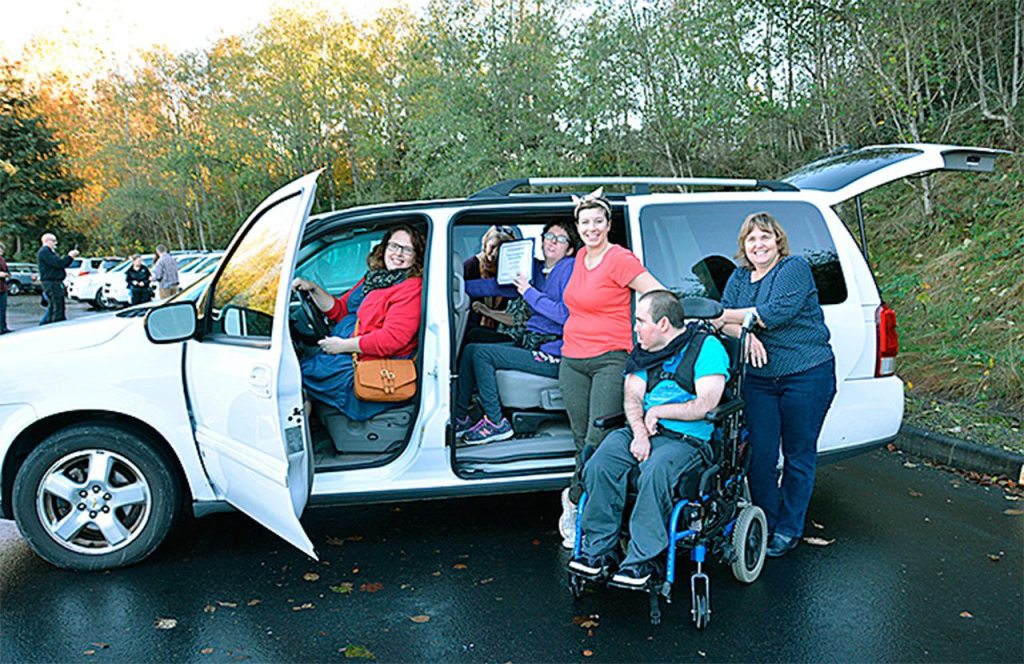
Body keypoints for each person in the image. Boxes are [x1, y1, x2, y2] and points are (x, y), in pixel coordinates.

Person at [568, 291, 729, 585]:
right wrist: (640, 432)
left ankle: (643, 561)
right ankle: (599, 552)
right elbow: (631, 397)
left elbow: (707, 403)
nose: (635, 328)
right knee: (599, 463)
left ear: (664, 323)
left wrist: (658, 411)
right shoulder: (644, 350)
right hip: (640, 431)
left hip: (686, 440)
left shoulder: (707, 348)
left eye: (641, 321)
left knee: (655, 471)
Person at [715, 211, 836, 558]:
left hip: (806, 374)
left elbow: (774, 312)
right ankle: (768, 521)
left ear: (778, 240)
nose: (759, 244)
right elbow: (722, 321)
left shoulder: (793, 268)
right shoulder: (739, 278)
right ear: (744, 245)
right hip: (759, 381)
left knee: (798, 455)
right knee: (760, 456)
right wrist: (745, 334)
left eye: (765, 237)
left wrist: (736, 320)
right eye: (752, 239)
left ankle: (789, 528)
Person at [558, 188, 663, 547]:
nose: (591, 228)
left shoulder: (619, 258)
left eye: (597, 221)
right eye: (585, 222)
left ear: (608, 224)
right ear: (578, 227)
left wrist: (653, 328)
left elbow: (656, 293)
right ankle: (585, 499)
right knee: (579, 439)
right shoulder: (578, 259)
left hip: (611, 358)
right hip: (572, 359)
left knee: (597, 438)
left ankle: (575, 503)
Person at [454, 221, 579, 444]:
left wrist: (529, 292)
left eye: (560, 239)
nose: (552, 241)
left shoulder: (569, 268)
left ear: (569, 249)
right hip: (533, 343)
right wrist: (452, 286)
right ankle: (461, 416)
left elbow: (565, 314)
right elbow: (496, 286)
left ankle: (496, 422)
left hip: (555, 353)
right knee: (472, 349)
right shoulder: (539, 271)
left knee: (483, 354)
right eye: (549, 236)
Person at [294, 225, 425, 422]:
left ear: (416, 255)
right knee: (299, 372)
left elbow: (392, 339)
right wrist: (313, 289)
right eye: (394, 246)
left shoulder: (411, 286)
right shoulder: (376, 278)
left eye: (407, 249)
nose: (398, 254)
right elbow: (341, 310)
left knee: (295, 377)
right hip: (349, 352)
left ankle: (300, 442)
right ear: (384, 247)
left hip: (370, 362)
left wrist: (342, 346)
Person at [463, 225, 516, 343]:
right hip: (470, 331)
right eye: (492, 247)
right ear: (485, 244)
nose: (493, 254)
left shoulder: (510, 274)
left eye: (501, 250)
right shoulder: (470, 267)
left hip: (502, 330)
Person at [36, 232, 79, 325]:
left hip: (55, 282)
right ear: (47, 241)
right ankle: (57, 324)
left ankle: (49, 323)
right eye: (53, 241)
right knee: (57, 305)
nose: (56, 243)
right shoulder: (44, 252)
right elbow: (59, 263)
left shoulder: (50, 252)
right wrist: (70, 256)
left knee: (55, 305)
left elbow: (61, 264)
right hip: (51, 282)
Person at [0, 241, 10, 334]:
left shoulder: (2, 260)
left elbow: (7, 271)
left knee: (2, 309)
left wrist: (7, 274)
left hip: (3, 287)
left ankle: (3, 327)